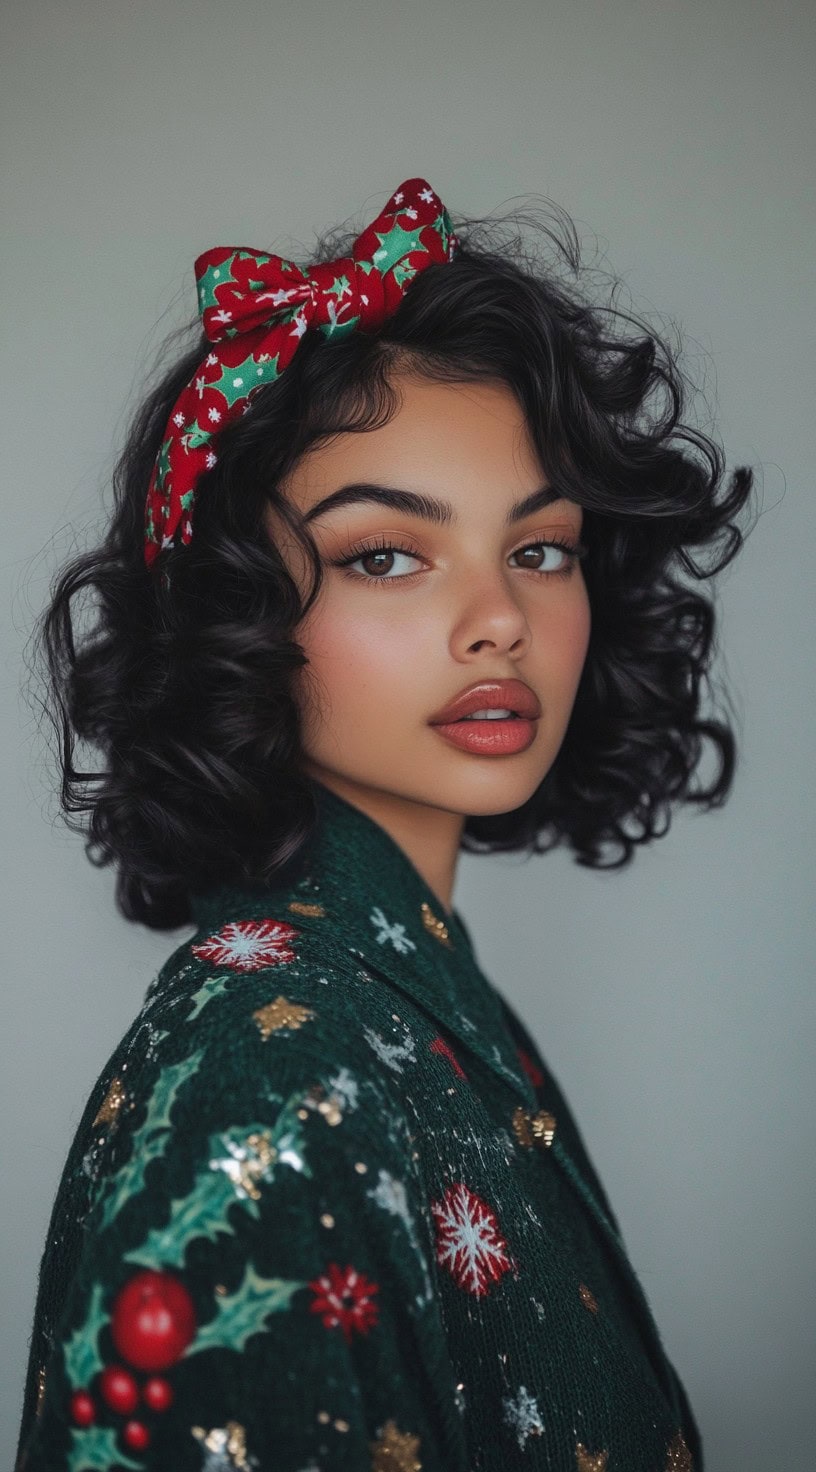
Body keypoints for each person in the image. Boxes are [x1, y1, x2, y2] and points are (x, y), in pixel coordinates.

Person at [16, 176, 755, 1471]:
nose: (500, 619)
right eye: (385, 555)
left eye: (541, 549)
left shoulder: (416, 1002)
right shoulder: (265, 1079)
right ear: (237, 612)